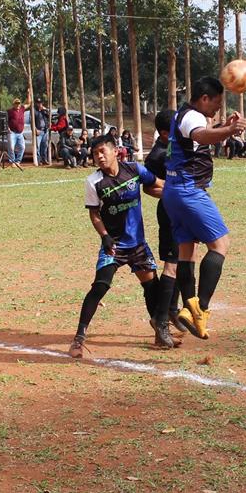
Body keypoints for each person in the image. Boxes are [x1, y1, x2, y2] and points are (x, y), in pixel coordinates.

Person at [162, 76, 246, 341]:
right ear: (204, 99)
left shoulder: (185, 116)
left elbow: (199, 138)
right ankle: (203, 308)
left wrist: (225, 126)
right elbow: (201, 134)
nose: (218, 109)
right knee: (220, 244)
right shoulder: (193, 118)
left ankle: (191, 310)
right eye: (217, 104)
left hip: (173, 192)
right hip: (189, 191)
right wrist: (230, 131)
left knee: (187, 252)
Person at [67, 134, 164, 358]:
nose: (99, 156)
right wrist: (104, 236)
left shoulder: (134, 170)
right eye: (95, 154)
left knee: (152, 286)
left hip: (138, 244)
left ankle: (160, 331)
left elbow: (157, 184)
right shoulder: (93, 181)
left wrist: (181, 193)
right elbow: (94, 213)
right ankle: (78, 339)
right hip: (114, 245)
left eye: (103, 151)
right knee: (100, 286)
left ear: (115, 151)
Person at [144, 109, 189, 348]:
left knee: (184, 259)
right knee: (172, 264)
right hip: (170, 211)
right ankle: (160, 319)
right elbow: (149, 189)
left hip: (186, 209)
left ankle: (172, 309)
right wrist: (174, 192)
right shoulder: (157, 156)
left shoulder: (177, 146)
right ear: (164, 132)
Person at [6, 98, 27, 166]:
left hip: (20, 133)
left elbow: (28, 103)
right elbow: (5, 120)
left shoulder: (22, 109)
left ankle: (18, 161)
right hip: (12, 132)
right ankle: (12, 162)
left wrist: (29, 93)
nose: (18, 105)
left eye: (19, 103)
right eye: (16, 103)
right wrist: (8, 128)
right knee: (11, 147)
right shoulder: (10, 111)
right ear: (13, 104)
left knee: (22, 147)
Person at [34, 99, 50, 165]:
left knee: (44, 146)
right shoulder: (34, 111)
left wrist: (45, 110)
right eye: (38, 103)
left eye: (40, 103)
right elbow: (32, 122)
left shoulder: (44, 111)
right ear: (36, 103)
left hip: (45, 130)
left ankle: (44, 159)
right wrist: (35, 129)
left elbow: (49, 116)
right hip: (39, 131)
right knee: (38, 147)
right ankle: (38, 160)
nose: (39, 104)